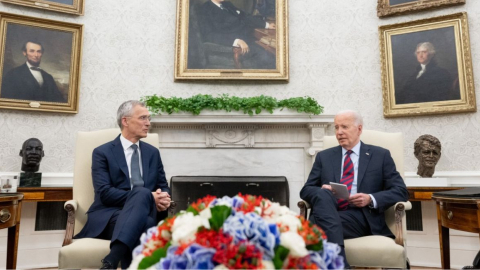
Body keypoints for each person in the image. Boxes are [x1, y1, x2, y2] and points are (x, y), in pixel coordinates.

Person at [300, 110, 409, 267]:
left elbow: (401, 191)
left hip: (361, 217)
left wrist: (370, 199)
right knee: (322, 193)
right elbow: (306, 190)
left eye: (344, 127)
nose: (339, 132)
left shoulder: (380, 155)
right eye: (336, 128)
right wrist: (323, 189)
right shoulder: (324, 156)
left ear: (359, 129)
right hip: (332, 210)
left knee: (314, 227)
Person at [74, 100, 171, 269]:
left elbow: (163, 186)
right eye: (143, 118)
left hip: (143, 214)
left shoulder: (152, 153)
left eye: (149, 118)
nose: (148, 123)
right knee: (144, 207)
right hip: (110, 215)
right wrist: (148, 197)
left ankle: (112, 259)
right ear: (125, 121)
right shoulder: (102, 152)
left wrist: (164, 198)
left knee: (144, 212)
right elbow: (104, 193)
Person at [198, 0, 276, 69]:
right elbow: (209, 35)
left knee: (273, 50)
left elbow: (245, 17)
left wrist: (266, 25)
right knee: (269, 57)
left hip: (249, 38)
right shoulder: (205, 9)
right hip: (234, 46)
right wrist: (236, 41)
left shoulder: (227, 4)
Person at [1, 40, 66, 102]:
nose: (36, 55)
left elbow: (59, 101)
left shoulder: (48, 78)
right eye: (32, 51)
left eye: (39, 51)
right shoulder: (13, 74)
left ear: (42, 54)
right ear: (24, 53)